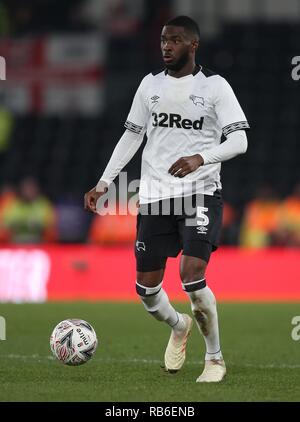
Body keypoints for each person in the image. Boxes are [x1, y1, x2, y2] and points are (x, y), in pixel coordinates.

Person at [84, 16, 249, 382]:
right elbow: (131, 136)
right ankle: (177, 325)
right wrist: (104, 182)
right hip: (156, 196)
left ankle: (215, 359)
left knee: (191, 275)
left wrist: (200, 159)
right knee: (146, 290)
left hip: (200, 192)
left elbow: (240, 141)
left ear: (193, 45)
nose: (166, 46)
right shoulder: (149, 85)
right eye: (163, 40)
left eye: (174, 40)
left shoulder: (215, 87)